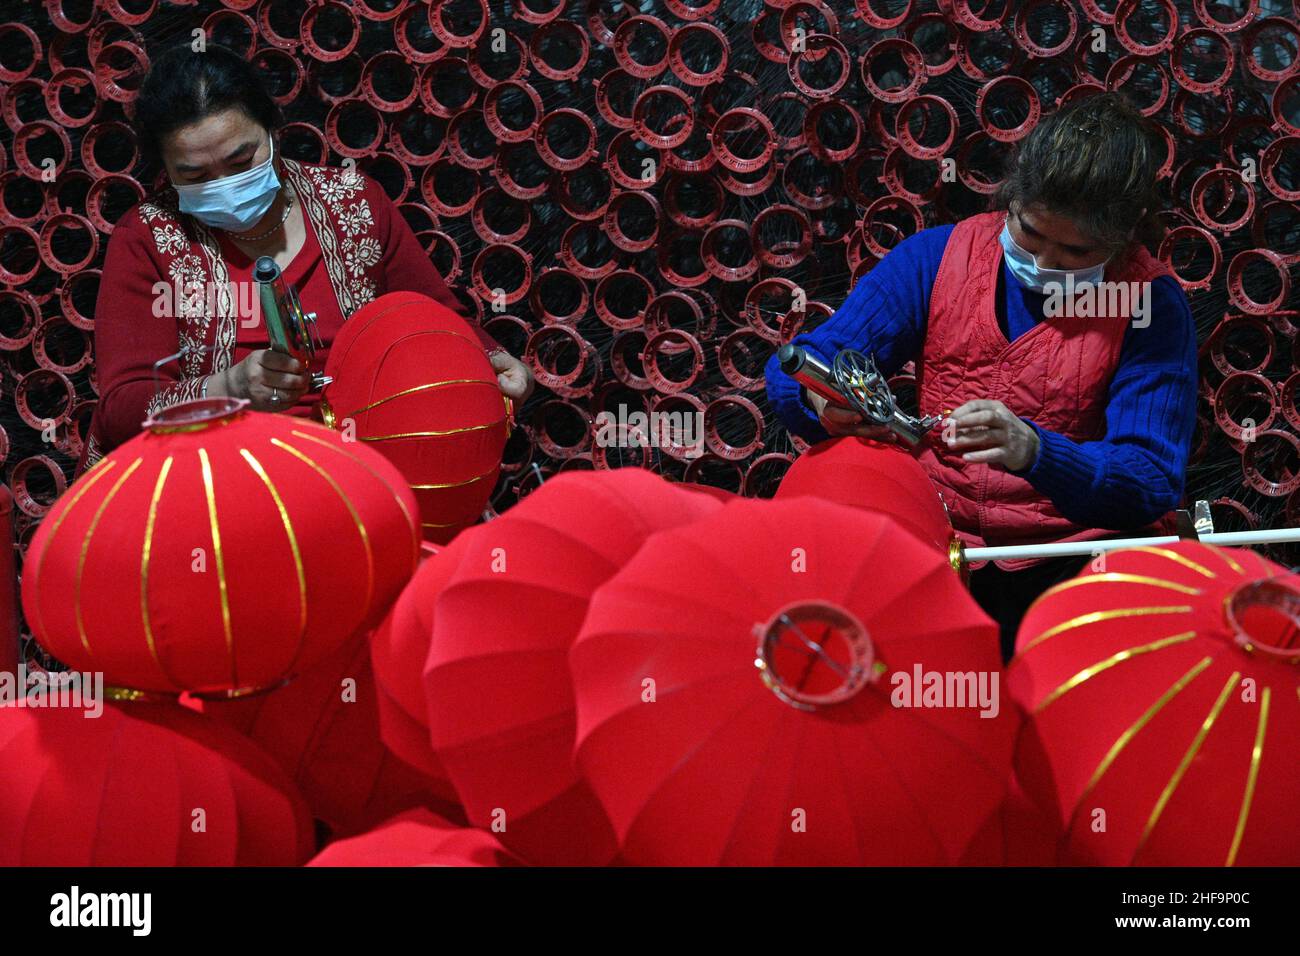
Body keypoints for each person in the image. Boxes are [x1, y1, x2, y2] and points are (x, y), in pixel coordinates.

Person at [765, 92, 1198, 661]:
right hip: (934, 544)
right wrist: (820, 400)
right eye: (1029, 233)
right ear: (1010, 199)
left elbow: (1148, 480)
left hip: (1078, 562)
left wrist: (1035, 450)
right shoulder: (939, 258)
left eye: (1075, 251)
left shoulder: (1150, 304)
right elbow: (796, 361)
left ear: (1125, 238)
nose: (1044, 264)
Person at [83, 43, 534, 469]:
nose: (224, 184)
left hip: (371, 463)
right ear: (165, 171)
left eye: (242, 162)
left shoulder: (354, 203)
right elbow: (123, 410)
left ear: (273, 131)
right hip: (220, 482)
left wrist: (493, 358)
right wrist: (228, 389)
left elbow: (433, 323)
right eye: (195, 174)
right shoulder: (149, 238)